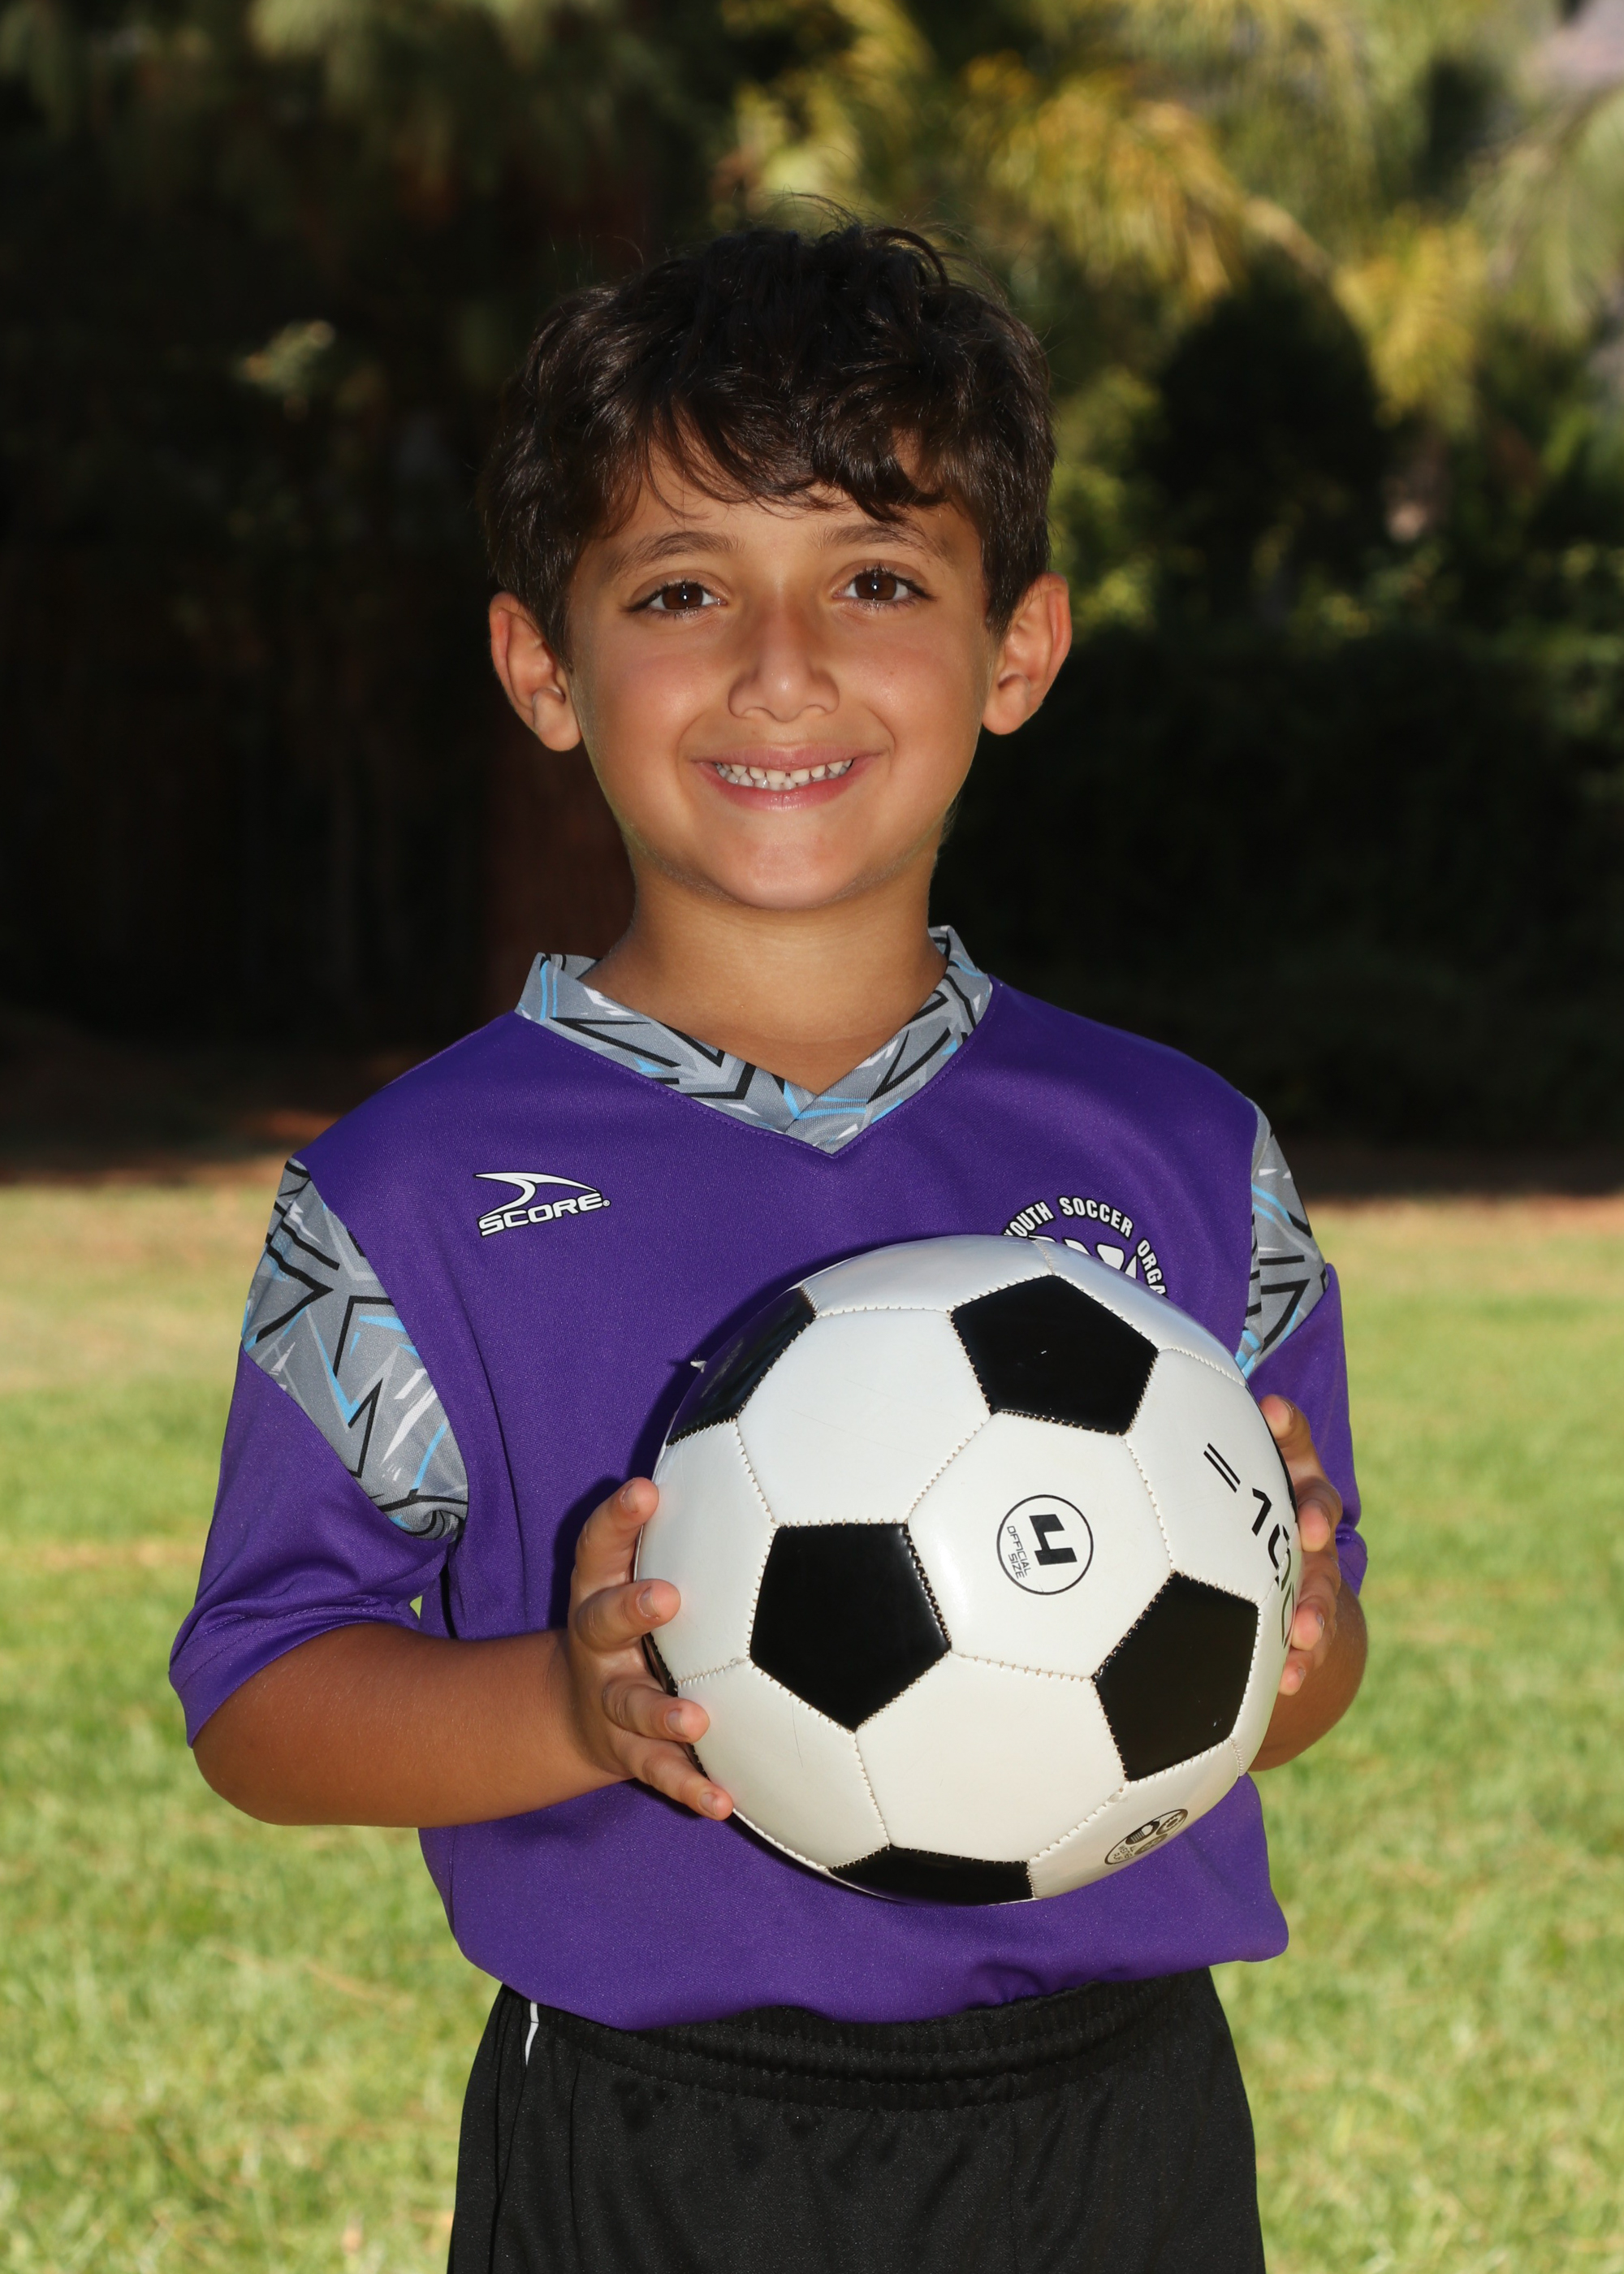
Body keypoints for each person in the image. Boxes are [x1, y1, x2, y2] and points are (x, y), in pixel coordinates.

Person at [171, 222, 1367, 2273]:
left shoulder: (1185, 1153)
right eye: (679, 589)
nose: (781, 665)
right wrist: (567, 1710)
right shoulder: (410, 1194)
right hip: (651, 2144)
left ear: (1020, 646)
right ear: (543, 668)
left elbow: (1292, 1674)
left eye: (876, 579)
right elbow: (262, 1699)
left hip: (1117, 2134)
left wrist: (1304, 1644)